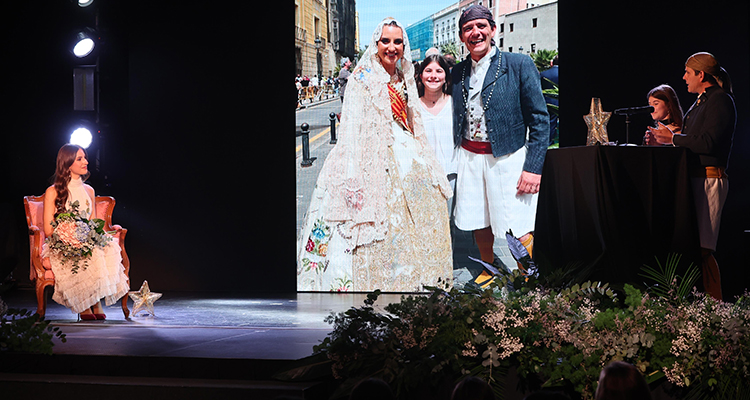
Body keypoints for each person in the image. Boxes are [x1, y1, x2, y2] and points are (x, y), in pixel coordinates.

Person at [297, 18, 453, 292]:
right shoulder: (362, 77)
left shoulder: (404, 75)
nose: (392, 47)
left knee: (430, 200)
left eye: (397, 42)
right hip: (370, 153)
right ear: (376, 44)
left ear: (404, 46)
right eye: (386, 41)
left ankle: (423, 276)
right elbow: (352, 127)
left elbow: (413, 118)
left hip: (405, 149)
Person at [451, 5, 549, 287]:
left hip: (508, 158)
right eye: (468, 28)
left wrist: (533, 168)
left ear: (493, 30)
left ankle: (528, 275)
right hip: (469, 157)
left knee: (515, 222)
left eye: (481, 26)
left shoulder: (518, 65)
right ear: (462, 37)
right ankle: (490, 267)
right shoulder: (457, 72)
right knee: (478, 217)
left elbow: (540, 120)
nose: (475, 32)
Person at [648, 52, 736, 300]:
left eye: (688, 72)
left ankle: (714, 309)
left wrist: (673, 138)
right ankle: (690, 309)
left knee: (703, 249)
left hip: (708, 179)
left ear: (701, 74)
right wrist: (664, 143)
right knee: (689, 246)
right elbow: (691, 143)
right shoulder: (701, 102)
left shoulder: (720, 100)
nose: (683, 77)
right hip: (693, 179)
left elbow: (708, 142)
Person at [42, 144, 129, 320]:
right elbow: (48, 229)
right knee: (83, 252)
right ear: (67, 163)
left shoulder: (89, 190)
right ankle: (84, 302)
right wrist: (69, 234)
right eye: (80, 159)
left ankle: (94, 300)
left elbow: (94, 223)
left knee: (103, 248)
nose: (86, 162)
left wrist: (106, 234)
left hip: (85, 239)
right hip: (62, 243)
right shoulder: (53, 191)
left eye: (85, 158)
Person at [417, 54, 457, 213]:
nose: (433, 76)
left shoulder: (455, 104)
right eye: (428, 71)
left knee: (451, 225)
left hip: (452, 174)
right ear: (421, 76)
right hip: (423, 177)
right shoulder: (412, 107)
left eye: (439, 71)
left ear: (446, 76)